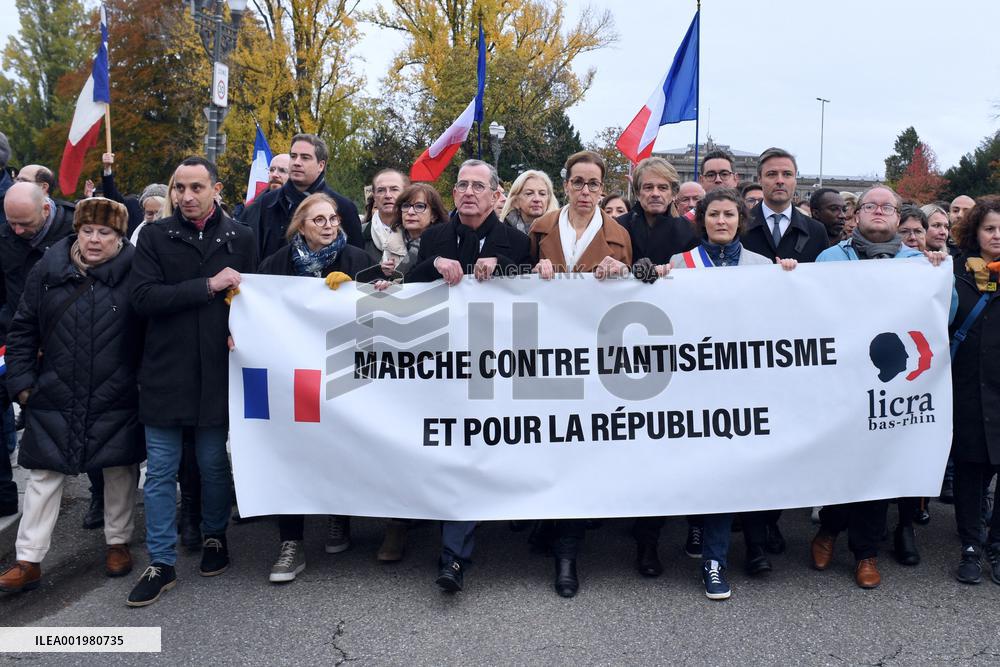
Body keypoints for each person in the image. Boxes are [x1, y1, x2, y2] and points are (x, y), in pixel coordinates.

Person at [126, 156, 258, 607]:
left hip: (218, 371)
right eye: (179, 187)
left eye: (196, 187)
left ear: (216, 189)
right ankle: (161, 561)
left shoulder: (241, 237)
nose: (186, 196)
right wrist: (207, 285)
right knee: (160, 471)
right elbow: (142, 298)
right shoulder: (155, 236)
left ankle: (215, 535)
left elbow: (257, 301)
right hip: (167, 369)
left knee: (213, 463)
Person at [0, 198, 144, 593]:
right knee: (44, 475)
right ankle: (28, 559)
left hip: (115, 390)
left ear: (119, 236)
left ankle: (117, 542)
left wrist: (138, 384)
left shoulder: (137, 271)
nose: (95, 240)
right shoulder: (48, 268)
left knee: (119, 470)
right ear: (76, 230)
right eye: (88, 231)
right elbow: (23, 328)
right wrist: (23, 384)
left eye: (105, 232)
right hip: (55, 388)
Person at [811, 185, 950, 589]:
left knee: (876, 468)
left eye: (886, 207)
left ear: (897, 218)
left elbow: (947, 315)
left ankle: (866, 553)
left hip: (889, 383)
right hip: (841, 378)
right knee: (843, 463)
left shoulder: (919, 262)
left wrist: (939, 276)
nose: (877, 211)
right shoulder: (828, 258)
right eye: (868, 206)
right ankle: (829, 528)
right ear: (855, 216)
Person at [665, 188, 797, 600]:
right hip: (693, 381)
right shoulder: (678, 265)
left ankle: (715, 559)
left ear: (741, 220)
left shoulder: (763, 266)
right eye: (713, 215)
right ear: (701, 219)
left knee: (729, 469)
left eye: (729, 215)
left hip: (743, 385)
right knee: (699, 465)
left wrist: (792, 277)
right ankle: (702, 534)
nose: (721, 221)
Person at [406, 159, 531, 593]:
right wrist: (435, 262)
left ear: (497, 195)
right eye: (461, 185)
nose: (469, 193)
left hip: (499, 366)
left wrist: (505, 269)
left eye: (479, 186)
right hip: (445, 368)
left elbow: (539, 293)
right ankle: (452, 557)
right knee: (457, 454)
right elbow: (412, 285)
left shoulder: (516, 240)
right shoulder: (435, 237)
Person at [527, 151, 632, 598]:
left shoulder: (620, 235)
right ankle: (551, 527)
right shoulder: (539, 229)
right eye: (578, 183)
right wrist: (530, 273)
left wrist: (623, 270)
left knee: (578, 446)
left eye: (593, 184)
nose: (586, 191)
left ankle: (567, 551)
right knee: (549, 443)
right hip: (544, 355)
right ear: (565, 185)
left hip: (595, 358)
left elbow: (636, 292)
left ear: (602, 190)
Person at [255, 192, 370, 583]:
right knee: (293, 450)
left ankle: (340, 515)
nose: (328, 226)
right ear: (300, 225)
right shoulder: (276, 264)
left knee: (339, 446)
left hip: (342, 372)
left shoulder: (355, 259)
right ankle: (291, 541)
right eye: (318, 220)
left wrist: (356, 289)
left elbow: (381, 311)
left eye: (333, 218)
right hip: (295, 374)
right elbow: (258, 309)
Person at [615, 157, 697, 573]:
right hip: (622, 343)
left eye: (663, 188)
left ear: (673, 192)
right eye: (648, 187)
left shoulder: (687, 231)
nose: (655, 194)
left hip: (673, 345)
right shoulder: (619, 227)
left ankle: (655, 536)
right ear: (638, 191)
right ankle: (638, 531)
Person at [1, 182, 77, 519]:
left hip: (67, 346)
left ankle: (103, 511)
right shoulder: (5, 235)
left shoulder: (77, 229)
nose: (17, 231)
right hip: (14, 342)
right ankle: (8, 497)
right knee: (36, 445)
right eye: (11, 223)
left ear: (45, 209)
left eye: (24, 224)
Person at [948, 195, 1000, 586]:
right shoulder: (954, 275)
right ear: (975, 233)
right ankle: (970, 545)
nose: (997, 236)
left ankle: (995, 544)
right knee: (970, 472)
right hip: (965, 391)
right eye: (989, 228)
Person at [242, 134, 363, 259]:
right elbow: (255, 253)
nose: (297, 162)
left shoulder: (343, 207)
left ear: (321, 165)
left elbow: (356, 261)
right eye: (293, 156)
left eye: (305, 158)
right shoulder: (267, 202)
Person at [742, 147, 828, 263]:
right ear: (759, 179)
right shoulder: (740, 226)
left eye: (787, 174)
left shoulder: (816, 231)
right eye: (772, 174)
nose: (780, 181)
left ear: (795, 180)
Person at [359, 183, 450, 286]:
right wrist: (381, 273)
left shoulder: (444, 243)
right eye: (406, 206)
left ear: (433, 215)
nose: (410, 212)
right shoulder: (391, 242)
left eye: (419, 206)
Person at [362, 169, 409, 272]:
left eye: (394, 189)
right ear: (374, 196)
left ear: (405, 194)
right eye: (381, 190)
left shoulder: (418, 233)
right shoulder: (359, 233)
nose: (388, 195)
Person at [498, 169, 559, 235]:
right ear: (515, 201)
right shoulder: (501, 232)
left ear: (549, 199)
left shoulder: (560, 232)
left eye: (542, 194)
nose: (537, 199)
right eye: (529, 193)